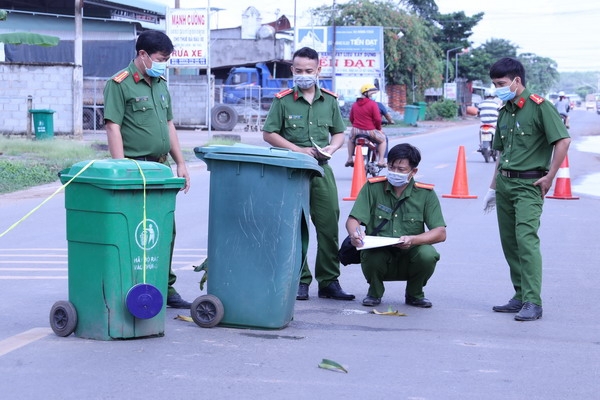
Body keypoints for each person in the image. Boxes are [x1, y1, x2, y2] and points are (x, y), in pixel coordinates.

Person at [103, 30, 192, 309]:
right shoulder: (120, 84)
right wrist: (121, 169)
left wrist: (181, 162)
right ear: (143, 55)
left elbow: (168, 125)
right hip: (135, 168)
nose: (164, 63)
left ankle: (165, 287)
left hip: (161, 169)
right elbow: (112, 126)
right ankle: (132, 287)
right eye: (161, 58)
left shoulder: (160, 83)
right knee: (136, 231)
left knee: (165, 229)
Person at [262, 46, 354, 301]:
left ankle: (329, 281)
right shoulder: (282, 101)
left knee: (327, 227)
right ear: (292, 70)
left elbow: (338, 132)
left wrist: (333, 148)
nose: (304, 75)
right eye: (299, 70)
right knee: (295, 228)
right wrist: (297, 150)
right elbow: (269, 133)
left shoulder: (330, 100)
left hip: (321, 171)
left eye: (309, 70)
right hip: (292, 174)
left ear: (318, 70)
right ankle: (300, 280)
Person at [483, 57, 571, 321]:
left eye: (501, 83)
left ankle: (533, 301)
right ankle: (520, 295)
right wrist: (493, 187)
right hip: (506, 184)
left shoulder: (539, 107)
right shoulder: (505, 110)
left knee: (526, 240)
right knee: (509, 242)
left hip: (529, 185)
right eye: (495, 84)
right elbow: (500, 153)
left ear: (516, 80)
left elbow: (563, 140)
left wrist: (550, 177)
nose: (497, 88)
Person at [345, 143, 447, 307]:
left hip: (410, 252)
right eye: (392, 167)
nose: (395, 173)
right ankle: (374, 293)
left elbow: (440, 232)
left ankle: (415, 294)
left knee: (428, 254)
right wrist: (355, 234)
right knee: (371, 253)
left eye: (401, 169)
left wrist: (413, 240)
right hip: (379, 252)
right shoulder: (373, 188)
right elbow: (353, 219)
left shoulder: (425, 194)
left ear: (413, 172)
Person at [345, 83, 387, 168]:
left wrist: (356, 125)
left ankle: (349, 158)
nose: (372, 96)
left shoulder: (355, 104)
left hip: (356, 131)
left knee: (350, 140)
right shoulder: (372, 104)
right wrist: (378, 129)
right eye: (372, 94)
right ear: (366, 93)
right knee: (383, 140)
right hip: (370, 130)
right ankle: (381, 160)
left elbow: (351, 118)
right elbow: (377, 119)